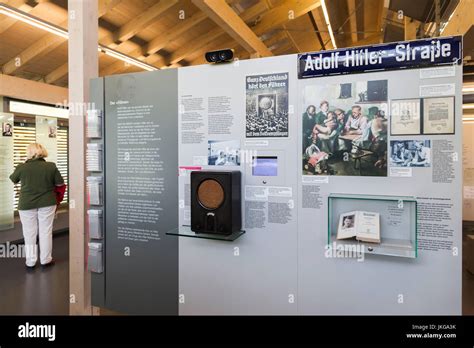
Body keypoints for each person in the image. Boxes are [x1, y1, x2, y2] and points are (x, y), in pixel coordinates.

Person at [9, 143, 65, 269]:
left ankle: (31, 262)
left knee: (29, 233)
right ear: (42, 152)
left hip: (26, 204)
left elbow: (13, 179)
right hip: (47, 203)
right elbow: (60, 183)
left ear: (29, 153)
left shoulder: (22, 167)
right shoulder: (51, 166)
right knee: (46, 231)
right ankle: (45, 260)